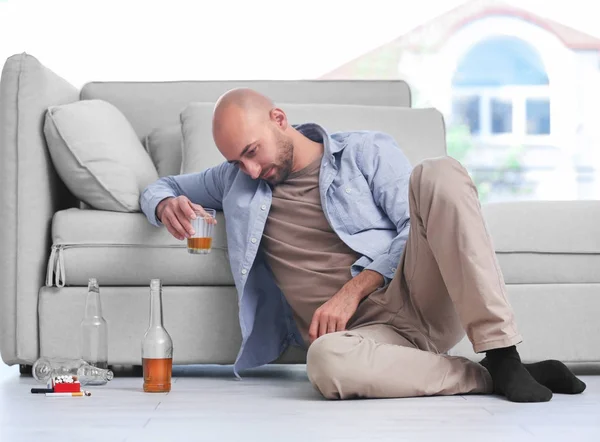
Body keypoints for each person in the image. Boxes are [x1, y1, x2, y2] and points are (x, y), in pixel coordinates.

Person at [140, 88, 586, 402]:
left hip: (419, 296)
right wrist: (165, 206)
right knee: (326, 364)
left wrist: (352, 289)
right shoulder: (234, 180)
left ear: (279, 119)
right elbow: (158, 185)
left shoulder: (364, 152)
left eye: (253, 152)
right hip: (365, 337)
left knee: (438, 172)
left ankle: (503, 352)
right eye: (236, 160)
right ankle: (492, 377)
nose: (250, 170)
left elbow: (414, 226)